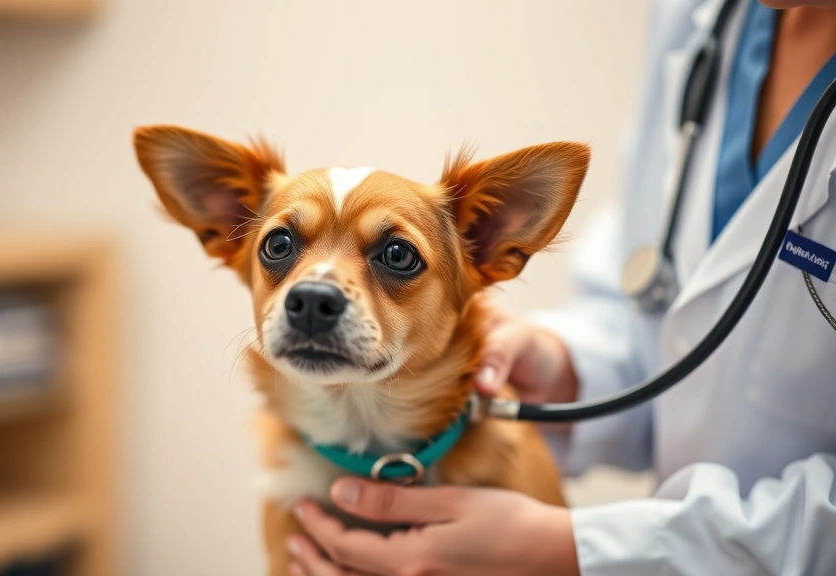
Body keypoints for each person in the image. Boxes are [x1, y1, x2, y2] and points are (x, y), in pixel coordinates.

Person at [285, 0, 836, 574]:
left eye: (396, 255)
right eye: (280, 248)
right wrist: (568, 363)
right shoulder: (696, 17)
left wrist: (570, 550)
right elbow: (666, 301)